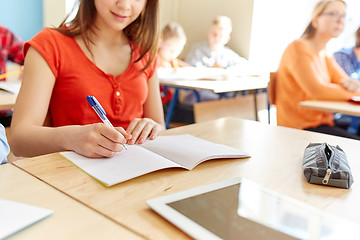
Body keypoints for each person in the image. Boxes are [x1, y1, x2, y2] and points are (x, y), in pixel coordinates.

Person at [9, 0, 165, 158]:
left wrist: (152, 128)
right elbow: (18, 140)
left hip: (139, 172)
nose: (124, 5)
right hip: (70, 176)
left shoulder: (144, 52)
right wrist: (72, 138)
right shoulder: (49, 44)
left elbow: (160, 126)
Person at [276, 0, 360, 140]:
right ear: (315, 20)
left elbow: (348, 82)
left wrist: (352, 87)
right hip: (301, 127)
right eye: (333, 14)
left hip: (324, 121)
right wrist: (350, 90)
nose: (340, 20)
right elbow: (316, 91)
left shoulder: (324, 53)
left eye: (343, 16)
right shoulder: (298, 48)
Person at [183, 16, 248, 105]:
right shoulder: (197, 50)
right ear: (208, 33)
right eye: (214, 34)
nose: (217, 38)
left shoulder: (228, 54)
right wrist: (210, 71)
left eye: (221, 35)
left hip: (223, 94)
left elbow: (244, 65)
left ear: (227, 38)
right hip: (200, 94)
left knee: (242, 101)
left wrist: (225, 72)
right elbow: (188, 72)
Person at [157, 22, 188, 105]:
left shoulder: (172, 61)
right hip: (162, 104)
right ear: (160, 43)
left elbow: (189, 69)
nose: (173, 54)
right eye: (171, 50)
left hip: (172, 102)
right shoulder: (155, 60)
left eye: (178, 51)